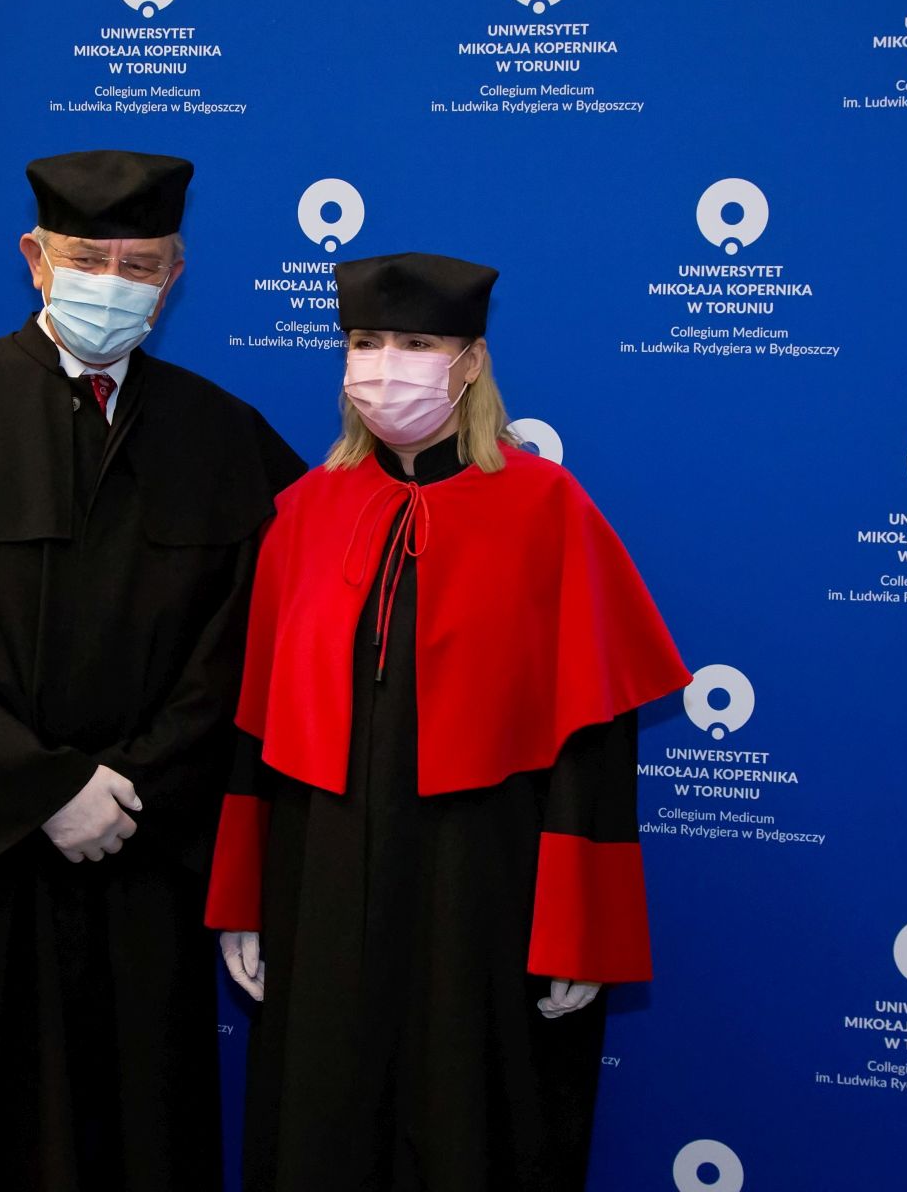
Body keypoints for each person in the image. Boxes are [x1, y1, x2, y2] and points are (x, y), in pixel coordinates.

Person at [0, 149, 305, 1192]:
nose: (112, 283)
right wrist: (42, 789)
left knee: (138, 1119)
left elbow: (234, 652)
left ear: (174, 277)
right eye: (87, 258)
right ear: (35, 258)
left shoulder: (220, 437)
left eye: (140, 264)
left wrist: (130, 788)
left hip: (140, 846)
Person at [206, 252, 691, 1191]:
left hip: (482, 884)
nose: (387, 364)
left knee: (471, 1119)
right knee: (321, 1118)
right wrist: (243, 897)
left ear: (469, 362)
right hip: (321, 878)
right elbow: (255, 724)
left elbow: (595, 740)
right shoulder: (303, 513)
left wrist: (582, 929)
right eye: (366, 341)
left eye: (416, 343)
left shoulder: (548, 510)